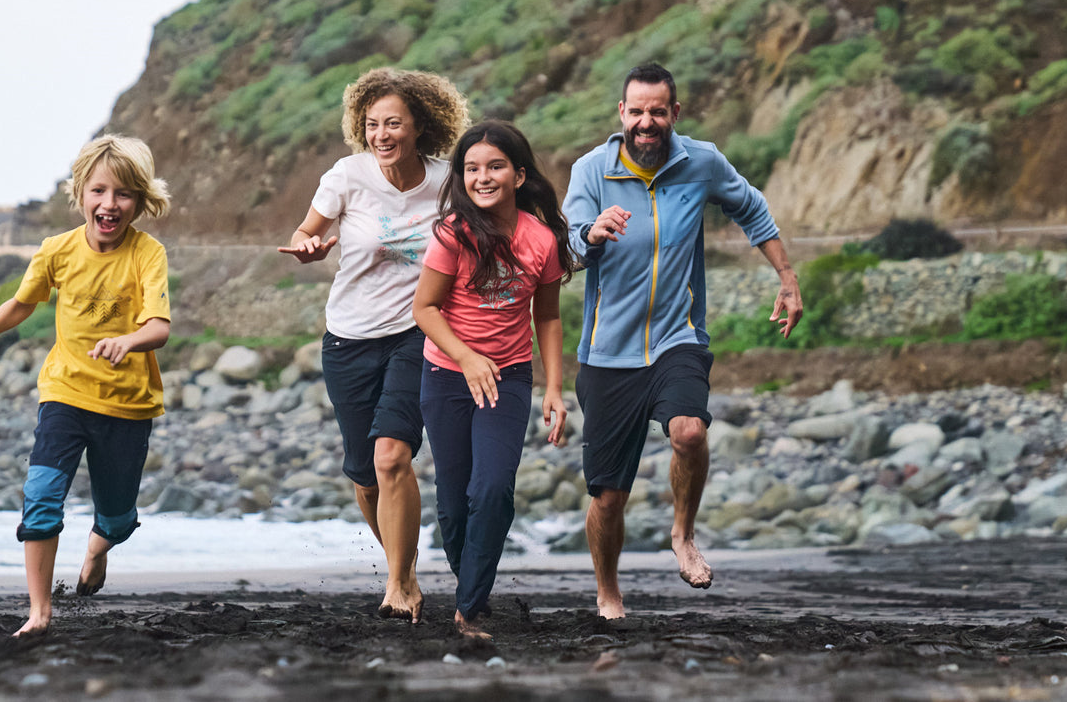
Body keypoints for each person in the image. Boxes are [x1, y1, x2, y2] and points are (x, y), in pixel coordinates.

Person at [562, 63, 804, 619]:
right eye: (637, 111)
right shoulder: (591, 171)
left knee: (690, 433)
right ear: (621, 114)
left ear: (675, 113)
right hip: (607, 353)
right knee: (608, 497)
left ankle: (683, 533)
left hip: (678, 336)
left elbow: (751, 207)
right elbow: (568, 245)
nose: (647, 122)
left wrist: (787, 279)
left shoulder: (701, 162)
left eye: (658, 111)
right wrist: (592, 233)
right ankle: (608, 591)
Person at [0, 134, 173, 637]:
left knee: (117, 517)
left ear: (140, 201)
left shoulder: (146, 254)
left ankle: (99, 546)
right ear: (80, 194)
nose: (109, 205)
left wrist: (128, 341)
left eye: (123, 195)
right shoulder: (57, 251)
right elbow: (23, 303)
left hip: (127, 406)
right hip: (65, 394)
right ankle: (40, 613)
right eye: (98, 191)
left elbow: (159, 326)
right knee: (41, 495)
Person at [278, 67, 469, 623]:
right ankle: (399, 566)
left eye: (393, 124)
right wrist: (308, 246)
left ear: (419, 128)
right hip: (348, 340)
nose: (382, 134)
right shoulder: (347, 176)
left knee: (393, 456)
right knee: (365, 474)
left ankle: (401, 582)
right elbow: (303, 231)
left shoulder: (446, 181)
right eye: (372, 124)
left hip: (417, 334)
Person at [412, 120, 575, 639]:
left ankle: (469, 607)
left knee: (494, 489)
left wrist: (553, 387)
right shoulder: (451, 233)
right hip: (446, 375)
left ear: (519, 174)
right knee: (455, 499)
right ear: (462, 176)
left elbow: (546, 317)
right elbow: (425, 308)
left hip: (508, 379)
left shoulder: (541, 239)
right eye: (472, 168)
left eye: (495, 166)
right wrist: (466, 358)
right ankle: (471, 588)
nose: (483, 177)